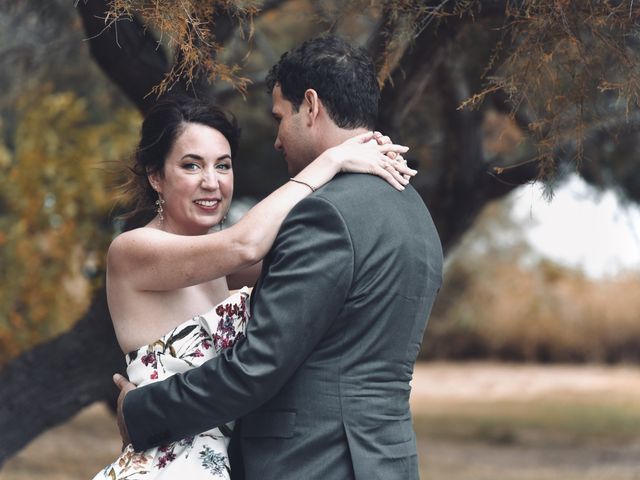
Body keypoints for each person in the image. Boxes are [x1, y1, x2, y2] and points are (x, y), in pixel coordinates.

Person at [114, 35, 443, 480]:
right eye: (191, 165)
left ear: (310, 107)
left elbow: (257, 361)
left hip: (315, 461)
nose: (275, 140)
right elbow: (248, 248)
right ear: (156, 176)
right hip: (378, 457)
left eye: (279, 118)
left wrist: (138, 411)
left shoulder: (325, 213)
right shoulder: (410, 208)